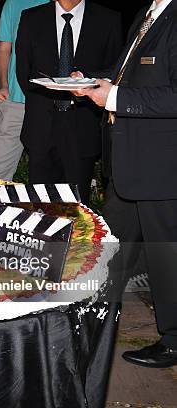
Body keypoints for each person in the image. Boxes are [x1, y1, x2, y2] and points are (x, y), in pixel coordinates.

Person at [77, 0, 177, 368]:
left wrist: (115, 97)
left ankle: (173, 340)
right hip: (130, 162)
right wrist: (93, 84)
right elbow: (128, 73)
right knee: (112, 247)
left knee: (166, 256)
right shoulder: (148, 13)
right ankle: (92, 321)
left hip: (162, 164)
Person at [16, 0, 122, 205]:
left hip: (83, 125)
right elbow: (23, 72)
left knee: (76, 206)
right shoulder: (31, 18)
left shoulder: (108, 19)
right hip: (41, 125)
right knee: (39, 206)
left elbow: (114, 71)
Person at [0, 0, 48, 182]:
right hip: (14, 100)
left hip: (49, 102)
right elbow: (5, 49)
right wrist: (4, 85)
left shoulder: (59, 3)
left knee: (48, 173)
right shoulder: (13, 4)